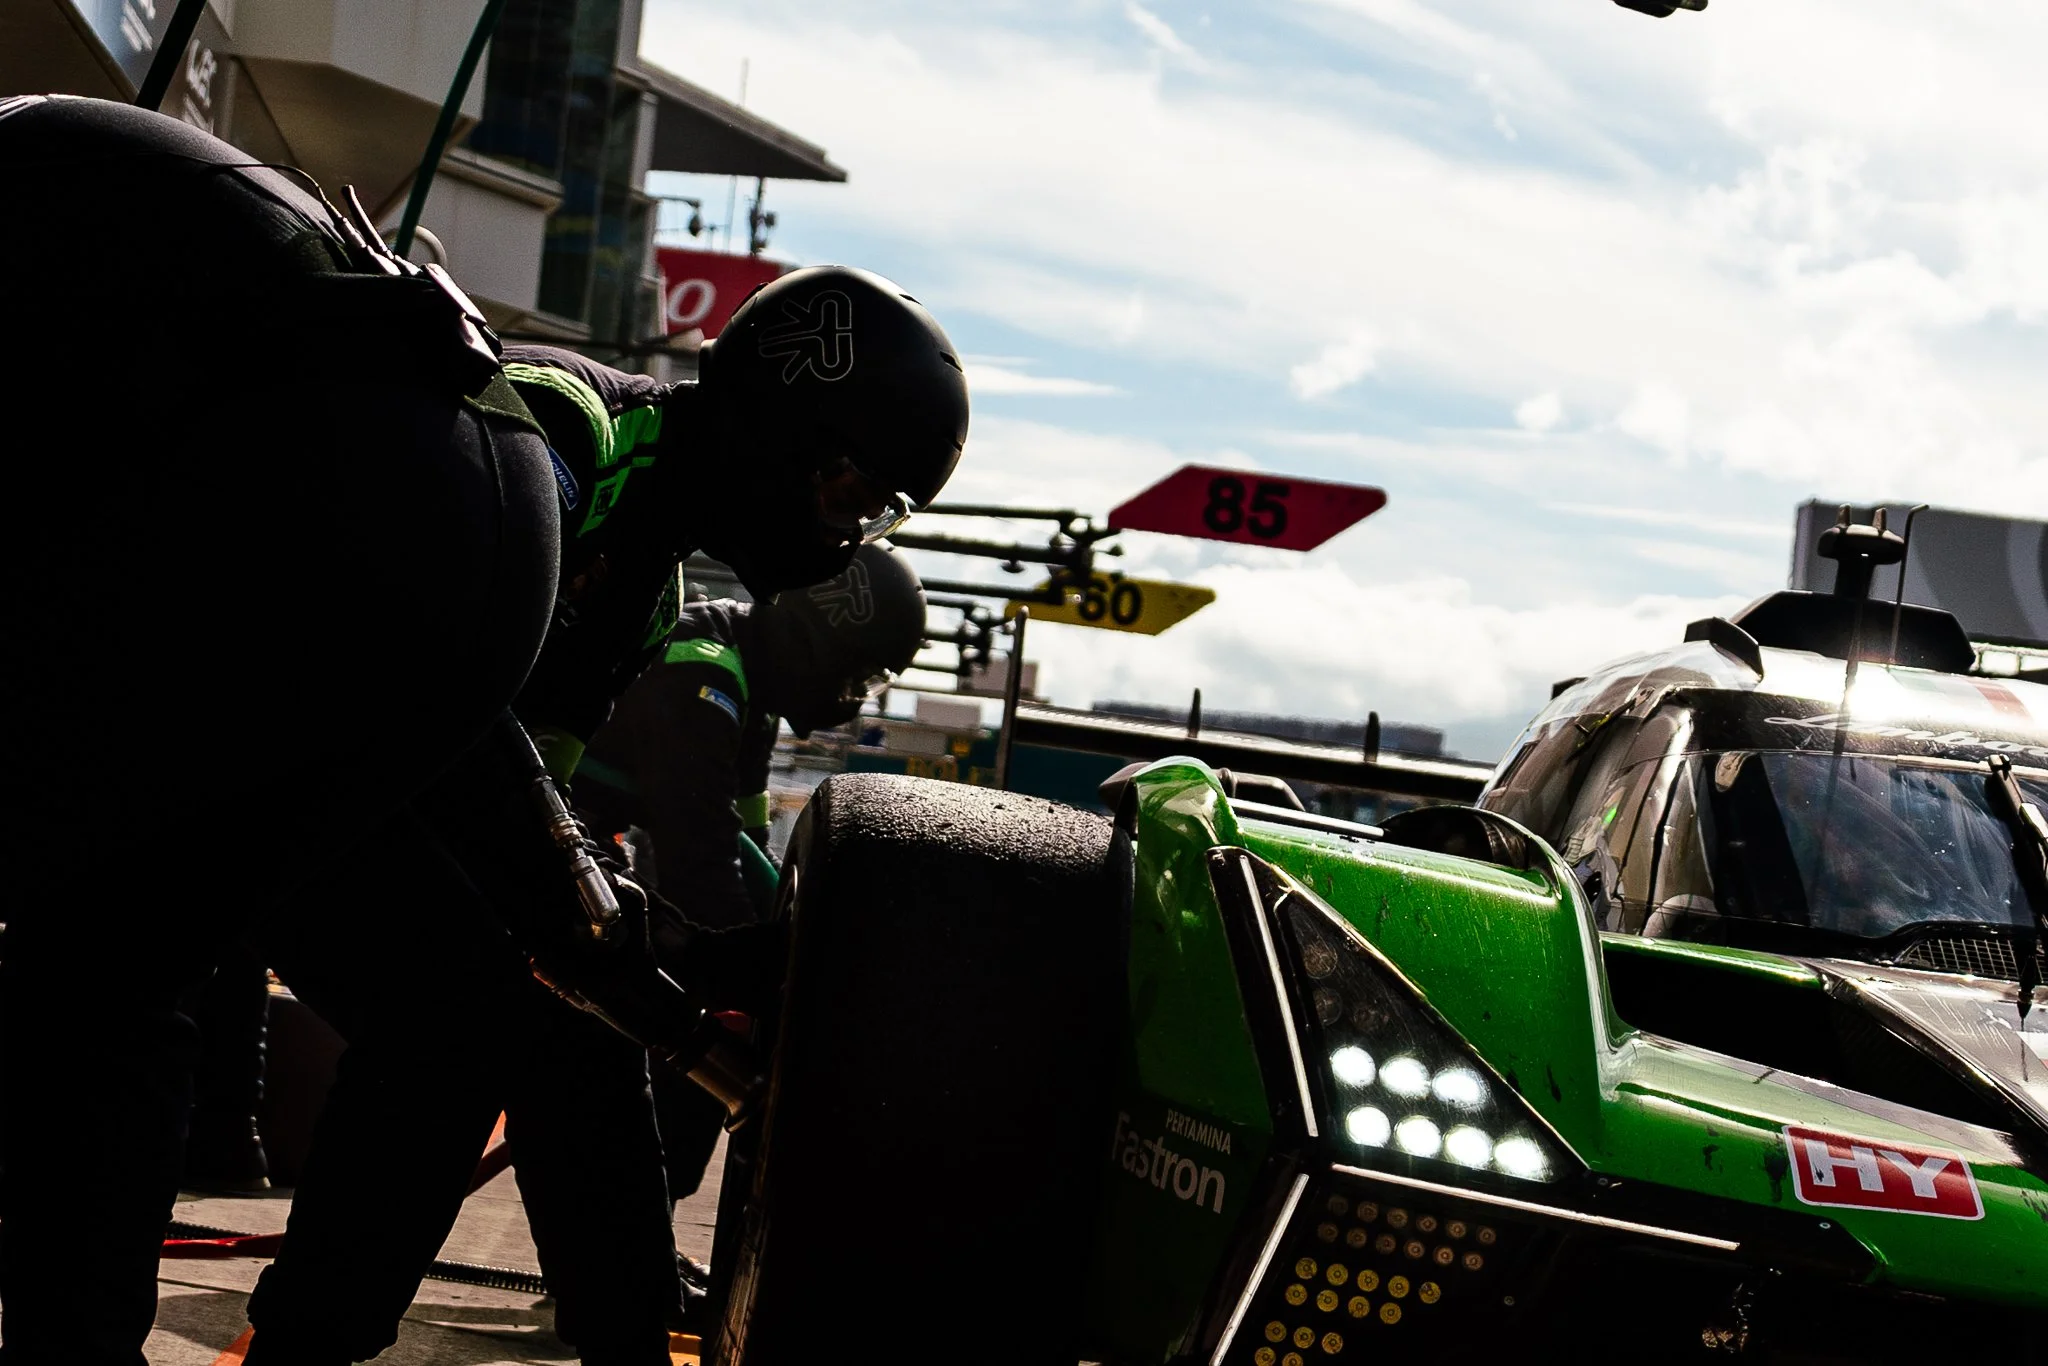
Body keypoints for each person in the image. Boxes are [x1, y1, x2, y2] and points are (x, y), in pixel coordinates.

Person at [240, 272, 969, 1365]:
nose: (842, 541)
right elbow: (424, 677)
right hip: (242, 746)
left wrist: (671, 957)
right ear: (783, 427)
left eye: (874, 520)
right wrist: (606, 915)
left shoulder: (648, 599)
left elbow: (527, 801)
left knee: (573, 1020)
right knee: (460, 1022)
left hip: (345, 797)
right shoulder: (561, 425)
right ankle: (303, 1348)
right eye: (847, 500)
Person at [0, 96, 565, 1366]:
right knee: (132, 966)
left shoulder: (55, 193)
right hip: (487, 513)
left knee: (94, 967)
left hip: (328, 493)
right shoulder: (94, 177)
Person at [571, 543, 926, 1287]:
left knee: (698, 1036)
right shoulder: (704, 672)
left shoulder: (747, 689)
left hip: (589, 855)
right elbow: (698, 858)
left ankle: (629, 1250)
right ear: (816, 637)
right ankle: (620, 1263)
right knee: (684, 1050)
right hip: (545, 847)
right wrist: (766, 984)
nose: (855, 693)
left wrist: (808, 945)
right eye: (857, 671)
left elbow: (755, 855)